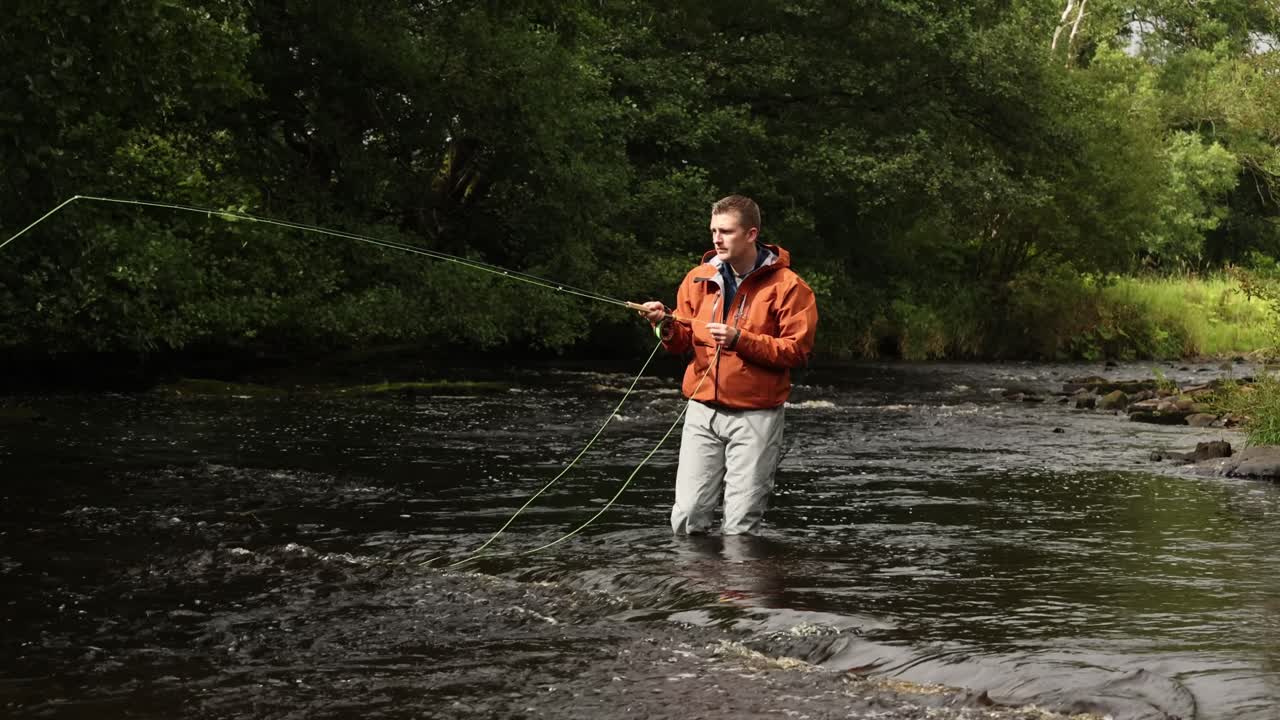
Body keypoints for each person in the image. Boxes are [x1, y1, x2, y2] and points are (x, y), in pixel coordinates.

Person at [638, 195, 818, 535]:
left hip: (757, 413)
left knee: (739, 524)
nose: (717, 239)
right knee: (689, 515)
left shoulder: (790, 288)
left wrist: (740, 340)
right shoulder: (697, 279)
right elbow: (681, 343)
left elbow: (797, 353)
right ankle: (694, 588)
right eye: (713, 231)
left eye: (726, 231)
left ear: (751, 234)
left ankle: (736, 589)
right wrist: (662, 323)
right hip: (702, 411)